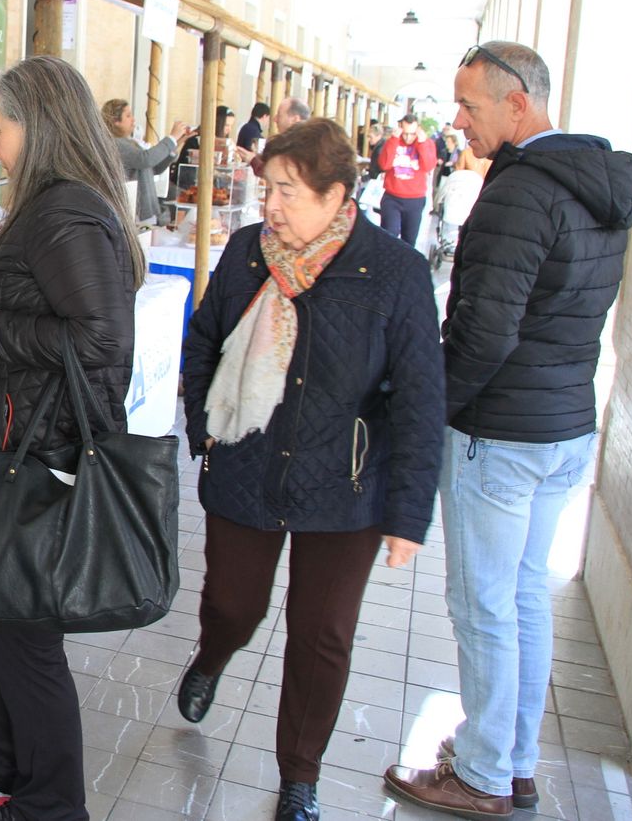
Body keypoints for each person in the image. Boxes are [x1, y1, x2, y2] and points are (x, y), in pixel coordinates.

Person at [385, 42, 632, 820]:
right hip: (566, 427)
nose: (455, 120)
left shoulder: (518, 194)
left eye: (469, 105)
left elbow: (484, 333)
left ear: (518, 104)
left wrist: (435, 410)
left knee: (484, 607)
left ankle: (483, 771)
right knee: (524, 598)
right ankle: (513, 758)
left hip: (499, 433)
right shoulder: (602, 188)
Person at [180, 118, 444, 821]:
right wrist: (204, 426)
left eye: (289, 192)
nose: (271, 205)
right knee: (235, 603)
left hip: (345, 486)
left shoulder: (394, 271)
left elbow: (421, 397)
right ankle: (212, 654)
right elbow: (203, 340)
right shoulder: (246, 254)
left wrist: (409, 514)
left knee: (321, 634)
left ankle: (300, 774)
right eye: (268, 188)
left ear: (336, 195)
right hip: (247, 465)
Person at [0, 56, 143, 821]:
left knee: (21, 634)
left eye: (3, 126)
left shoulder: (68, 209)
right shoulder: (50, 206)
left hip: (39, 453)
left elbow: (103, 337)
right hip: (13, 443)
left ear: (38, 126)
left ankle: (51, 804)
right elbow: (54, 296)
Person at [101, 97, 191, 223]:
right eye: (128, 116)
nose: (133, 120)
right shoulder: (114, 143)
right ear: (115, 121)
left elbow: (153, 168)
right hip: (136, 214)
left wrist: (176, 144)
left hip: (146, 211)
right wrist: (171, 138)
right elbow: (145, 159)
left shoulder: (128, 142)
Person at [375, 113, 438, 246]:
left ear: (418, 130)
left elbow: (428, 166)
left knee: (409, 240)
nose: (408, 137)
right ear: (400, 129)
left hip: (415, 199)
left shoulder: (427, 143)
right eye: (405, 133)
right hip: (392, 197)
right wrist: (393, 140)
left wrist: (422, 143)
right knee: (388, 236)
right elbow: (384, 165)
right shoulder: (393, 141)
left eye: (412, 134)